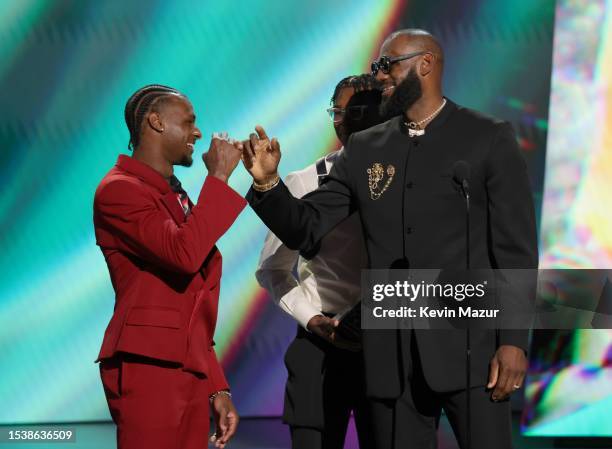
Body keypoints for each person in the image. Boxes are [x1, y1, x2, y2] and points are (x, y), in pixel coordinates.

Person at [241, 29, 538, 449]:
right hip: (391, 357)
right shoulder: (365, 148)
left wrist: (512, 342)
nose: (379, 76)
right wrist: (270, 185)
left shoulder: (486, 137)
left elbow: (516, 252)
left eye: (387, 65)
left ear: (426, 63)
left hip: (471, 349)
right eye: (376, 66)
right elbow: (306, 225)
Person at [93, 84, 244, 449]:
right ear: (155, 121)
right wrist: (219, 178)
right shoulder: (119, 190)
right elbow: (183, 254)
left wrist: (215, 386)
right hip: (149, 364)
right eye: (189, 122)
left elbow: (193, 298)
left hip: (187, 367)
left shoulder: (173, 195)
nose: (198, 132)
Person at [256, 74, 383, 449]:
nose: (343, 121)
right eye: (336, 111)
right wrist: (311, 318)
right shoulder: (302, 182)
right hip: (320, 343)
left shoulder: (409, 179)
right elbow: (272, 269)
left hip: (386, 342)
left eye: (356, 111)